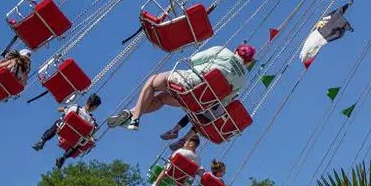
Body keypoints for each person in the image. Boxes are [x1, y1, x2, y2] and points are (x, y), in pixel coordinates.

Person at [108, 43, 255, 131]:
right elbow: (226, 99)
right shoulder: (244, 80)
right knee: (162, 99)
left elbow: (194, 60)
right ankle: (131, 113)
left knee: (153, 82)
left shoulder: (223, 51)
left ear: (236, 50)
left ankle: (135, 118)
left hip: (189, 84)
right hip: (199, 102)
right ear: (248, 61)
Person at [34, 93, 102, 151]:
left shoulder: (75, 108)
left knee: (60, 120)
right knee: (82, 140)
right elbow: (89, 134)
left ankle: (42, 140)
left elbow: (59, 109)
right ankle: (64, 157)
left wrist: (64, 109)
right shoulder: (91, 121)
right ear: (95, 107)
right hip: (74, 139)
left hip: (64, 130)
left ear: (87, 101)